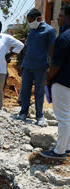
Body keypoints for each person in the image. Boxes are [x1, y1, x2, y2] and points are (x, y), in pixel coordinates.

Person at [40, 5, 70, 160]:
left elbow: (56, 65)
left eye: (61, 15)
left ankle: (59, 151)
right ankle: (67, 146)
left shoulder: (64, 38)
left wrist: (48, 78)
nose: (58, 18)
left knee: (63, 117)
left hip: (62, 82)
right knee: (68, 116)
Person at [17, 9, 56, 126]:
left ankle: (39, 115)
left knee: (39, 92)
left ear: (39, 19)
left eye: (31, 20)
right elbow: (26, 48)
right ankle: (23, 112)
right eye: (28, 21)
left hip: (41, 67)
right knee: (25, 90)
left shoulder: (49, 31)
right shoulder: (31, 30)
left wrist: (51, 66)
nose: (29, 23)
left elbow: (52, 50)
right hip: (27, 66)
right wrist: (21, 63)